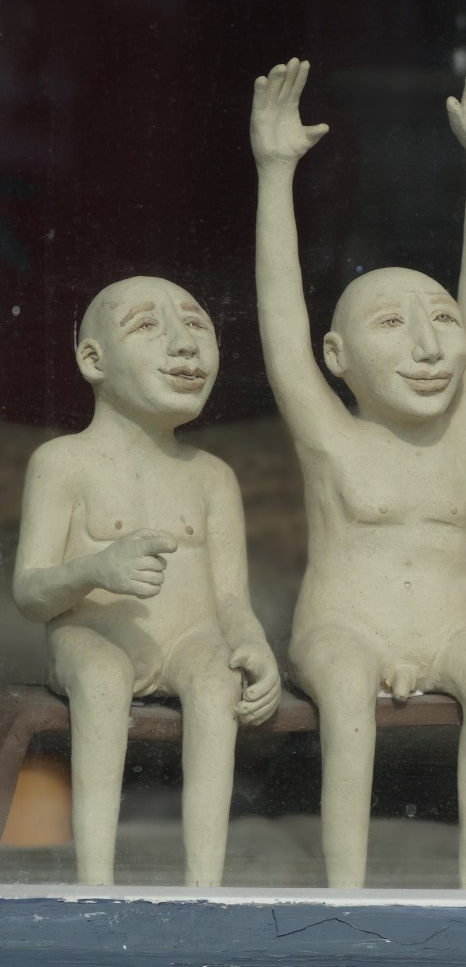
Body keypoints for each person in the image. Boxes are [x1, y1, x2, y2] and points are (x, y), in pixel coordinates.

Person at [250, 39, 466, 888]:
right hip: (345, 629)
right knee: (347, 692)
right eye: (393, 325)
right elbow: (281, 323)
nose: (430, 347)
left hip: (452, 626)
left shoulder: (459, 432)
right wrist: (274, 173)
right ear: (337, 357)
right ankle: (348, 893)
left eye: (441, 320)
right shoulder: (331, 436)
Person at [13, 276, 281, 886]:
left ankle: (205, 888)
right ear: (93, 360)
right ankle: (96, 883)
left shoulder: (212, 476)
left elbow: (231, 596)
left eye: (198, 325)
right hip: (91, 636)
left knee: (216, 680)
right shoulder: (64, 463)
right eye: (147, 325)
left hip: (189, 638)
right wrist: (93, 569)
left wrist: (254, 644)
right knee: (103, 678)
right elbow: (29, 592)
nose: (185, 345)